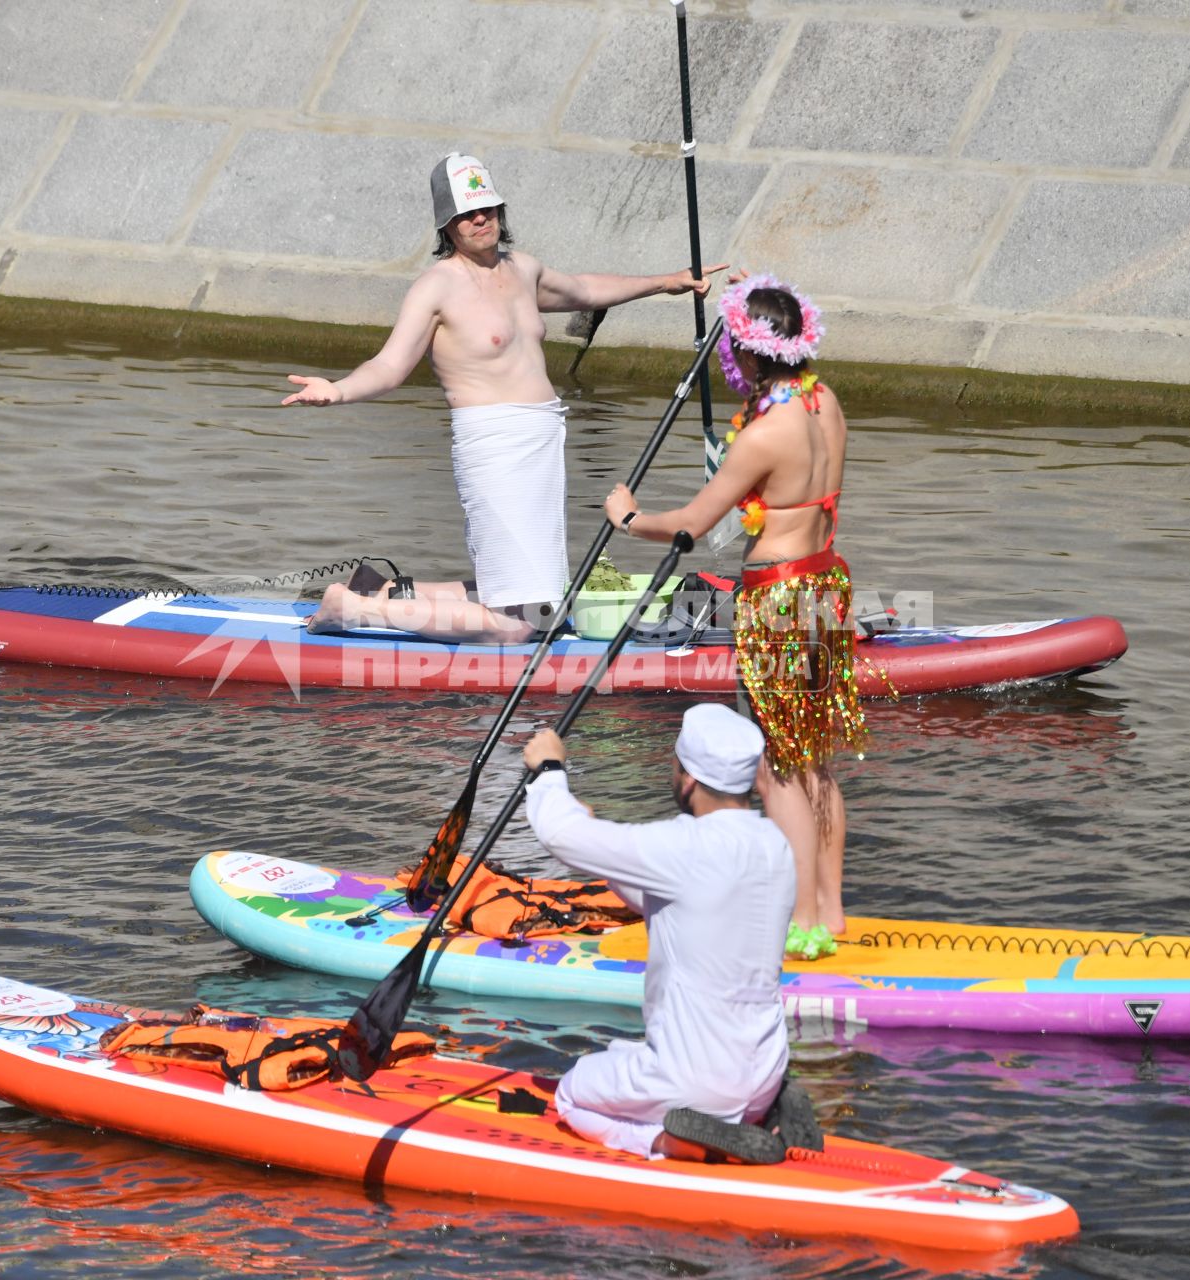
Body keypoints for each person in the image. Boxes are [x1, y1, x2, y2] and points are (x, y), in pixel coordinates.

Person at [283, 152, 724, 644]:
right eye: (467, 213)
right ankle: (354, 608)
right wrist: (336, 390)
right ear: (447, 225)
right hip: (493, 447)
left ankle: (382, 590)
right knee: (520, 627)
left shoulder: (522, 270)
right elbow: (390, 366)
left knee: (544, 603)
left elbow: (584, 289)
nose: (480, 218)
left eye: (487, 207)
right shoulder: (436, 288)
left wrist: (666, 282)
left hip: (542, 441)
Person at [603, 274, 869, 960]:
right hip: (825, 586)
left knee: (779, 767)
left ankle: (800, 918)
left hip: (778, 598)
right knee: (815, 759)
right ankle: (832, 909)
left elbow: (692, 523)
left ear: (749, 356)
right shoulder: (826, 403)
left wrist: (630, 519)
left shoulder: (764, 434)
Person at [523, 704, 814, 1163]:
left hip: (698, 1083)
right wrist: (601, 847)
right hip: (766, 1071)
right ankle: (767, 1112)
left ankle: (666, 1141)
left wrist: (549, 767)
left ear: (689, 779)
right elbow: (675, 900)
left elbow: (557, 832)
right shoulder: (773, 845)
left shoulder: (680, 847)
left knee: (573, 1092)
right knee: (643, 1060)